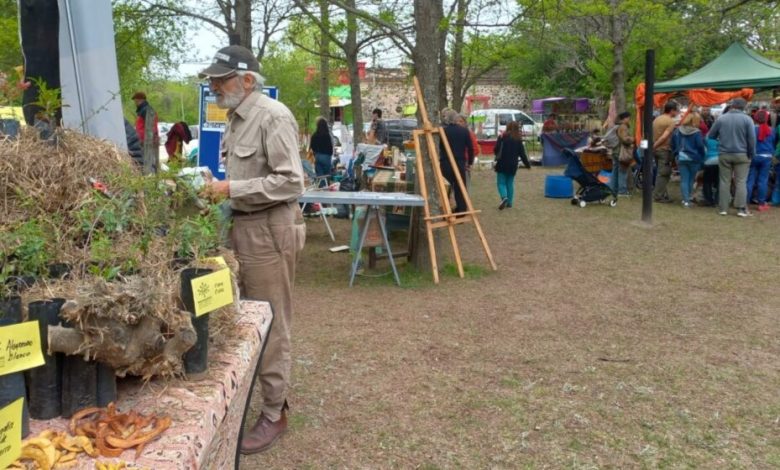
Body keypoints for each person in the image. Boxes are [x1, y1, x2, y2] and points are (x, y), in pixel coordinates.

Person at [198, 45, 306, 453]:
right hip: (245, 227)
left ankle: (274, 413)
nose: (212, 86)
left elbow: (291, 182)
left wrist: (231, 188)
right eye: (211, 80)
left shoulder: (272, 116)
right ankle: (253, 401)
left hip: (269, 230)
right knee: (246, 319)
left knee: (271, 323)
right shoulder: (237, 117)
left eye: (220, 79)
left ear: (246, 80)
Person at [708, 98, 756, 217]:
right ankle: (740, 209)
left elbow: (711, 135)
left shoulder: (721, 118)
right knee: (741, 182)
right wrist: (751, 154)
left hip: (724, 153)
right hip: (742, 154)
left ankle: (723, 208)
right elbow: (752, 139)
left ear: (732, 105)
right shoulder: (747, 119)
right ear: (743, 107)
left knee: (724, 181)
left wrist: (721, 139)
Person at [439, 108, 474, 214]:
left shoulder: (443, 131)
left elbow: (440, 146)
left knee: (446, 187)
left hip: (446, 162)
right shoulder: (464, 131)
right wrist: (470, 162)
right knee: (460, 187)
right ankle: (462, 209)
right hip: (459, 162)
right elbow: (470, 148)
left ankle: (446, 210)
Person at [671, 113, 706, 208]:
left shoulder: (678, 130)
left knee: (684, 179)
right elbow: (700, 145)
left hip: (681, 157)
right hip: (694, 158)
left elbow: (673, 143)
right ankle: (688, 198)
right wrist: (702, 155)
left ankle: (685, 200)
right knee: (691, 179)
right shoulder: (697, 132)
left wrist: (676, 153)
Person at [494, 121, 530, 210]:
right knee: (510, 183)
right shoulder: (518, 139)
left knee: (501, 183)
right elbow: (522, 154)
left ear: (508, 127)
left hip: (502, 163)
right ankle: (510, 202)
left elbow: (496, 150)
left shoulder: (502, 137)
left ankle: (504, 197)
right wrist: (527, 165)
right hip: (513, 164)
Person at [746, 110, 778, 211]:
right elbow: (774, 142)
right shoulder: (772, 130)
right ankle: (761, 203)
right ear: (767, 118)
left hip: (754, 156)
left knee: (750, 180)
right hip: (767, 157)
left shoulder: (752, 129)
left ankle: (745, 202)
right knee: (763, 181)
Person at [651, 101, 680, 203]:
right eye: (676, 110)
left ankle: (662, 194)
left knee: (660, 172)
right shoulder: (670, 122)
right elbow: (664, 136)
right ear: (672, 110)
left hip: (656, 150)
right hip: (663, 150)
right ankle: (658, 196)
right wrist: (654, 146)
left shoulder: (657, 119)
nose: (677, 113)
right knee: (663, 174)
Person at [610, 111, 634, 196]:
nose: (629, 120)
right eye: (628, 118)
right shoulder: (623, 127)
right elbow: (625, 139)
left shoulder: (616, 126)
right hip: (621, 152)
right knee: (622, 171)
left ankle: (613, 189)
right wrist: (633, 139)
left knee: (615, 171)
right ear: (625, 118)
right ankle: (622, 191)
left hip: (615, 151)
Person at [701, 136, 719, 207]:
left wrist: (703, 162)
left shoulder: (706, 139)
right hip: (720, 161)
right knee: (719, 182)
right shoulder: (723, 138)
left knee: (707, 182)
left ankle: (708, 200)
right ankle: (717, 200)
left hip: (709, 161)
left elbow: (704, 150)